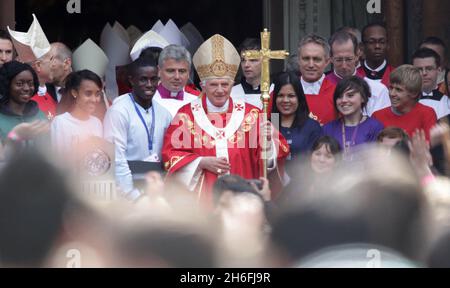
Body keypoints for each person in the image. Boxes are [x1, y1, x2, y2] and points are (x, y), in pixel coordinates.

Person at [162, 34, 289, 206]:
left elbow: (271, 160)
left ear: (232, 84)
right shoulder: (186, 116)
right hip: (202, 204)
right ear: (203, 85)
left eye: (225, 84)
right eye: (214, 85)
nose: (220, 90)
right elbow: (171, 155)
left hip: (243, 200)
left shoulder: (252, 115)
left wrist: (268, 144)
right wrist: (200, 162)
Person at [103, 57, 172, 201]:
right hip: (126, 191)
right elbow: (116, 157)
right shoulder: (119, 111)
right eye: (143, 79)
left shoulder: (164, 114)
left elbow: (169, 155)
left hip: (157, 189)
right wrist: (133, 195)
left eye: (154, 79)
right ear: (131, 80)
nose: (149, 84)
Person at [325, 30, 390, 116]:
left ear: (357, 55)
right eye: (339, 60)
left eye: (349, 59)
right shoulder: (319, 88)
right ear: (330, 58)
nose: (344, 66)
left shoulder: (377, 90)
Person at [323, 76, 384, 160]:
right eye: (339, 96)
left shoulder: (375, 127)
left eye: (350, 95)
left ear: (363, 98)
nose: (343, 100)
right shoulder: (327, 129)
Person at [373, 65, 437, 141]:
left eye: (398, 90)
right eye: (391, 88)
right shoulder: (377, 116)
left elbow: (429, 147)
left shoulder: (427, 114)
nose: (392, 93)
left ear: (414, 93)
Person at [271, 71, 322, 166]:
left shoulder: (311, 126)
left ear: (299, 98)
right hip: (273, 180)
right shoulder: (268, 125)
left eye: (291, 96)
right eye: (280, 95)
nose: (285, 100)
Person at [51, 70, 103, 153]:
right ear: (74, 93)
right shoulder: (60, 122)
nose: (94, 99)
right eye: (88, 94)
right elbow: (58, 159)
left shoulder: (97, 123)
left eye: (97, 94)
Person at [0, 61, 48, 140]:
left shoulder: (40, 115)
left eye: (30, 83)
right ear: (7, 85)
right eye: (19, 84)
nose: (26, 88)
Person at [297, 34, 336, 125]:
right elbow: (272, 118)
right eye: (306, 58)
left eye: (317, 59)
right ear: (299, 60)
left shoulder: (337, 94)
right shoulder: (284, 91)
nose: (311, 64)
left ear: (327, 62)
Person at [152, 44, 199, 117]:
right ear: (159, 71)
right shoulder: (146, 101)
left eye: (182, 71)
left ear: (189, 73)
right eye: (170, 71)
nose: (177, 77)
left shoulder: (197, 103)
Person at [231, 38, 272, 109]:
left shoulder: (273, 91)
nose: (246, 65)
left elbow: (276, 118)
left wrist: (272, 120)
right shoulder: (232, 93)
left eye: (252, 60)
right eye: (243, 60)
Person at [412, 47, 450, 120]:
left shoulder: (448, 103)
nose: (424, 73)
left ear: (438, 70)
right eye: (419, 69)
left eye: (429, 68)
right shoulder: (404, 103)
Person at [357, 22, 394, 87]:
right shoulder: (354, 76)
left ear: (388, 45)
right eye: (371, 42)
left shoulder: (397, 76)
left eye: (382, 42)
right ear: (362, 46)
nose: (377, 46)